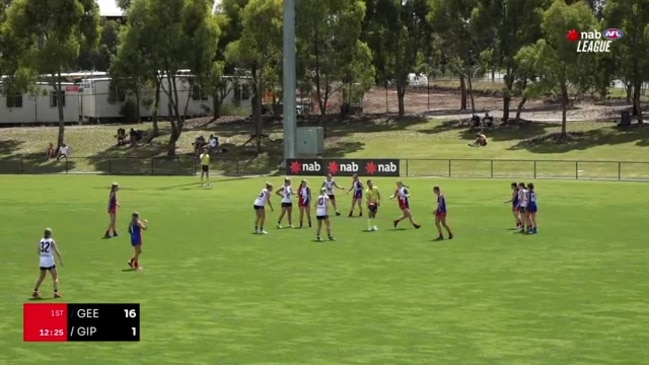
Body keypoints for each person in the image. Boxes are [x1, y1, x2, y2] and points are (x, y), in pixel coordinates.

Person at [33, 228, 64, 299]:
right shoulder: (51, 241)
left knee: (41, 277)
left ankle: (35, 291)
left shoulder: (41, 240)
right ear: (50, 234)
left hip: (42, 261)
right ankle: (56, 293)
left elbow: (38, 252)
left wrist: (43, 255)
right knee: (55, 277)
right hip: (49, 261)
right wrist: (60, 260)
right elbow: (56, 251)